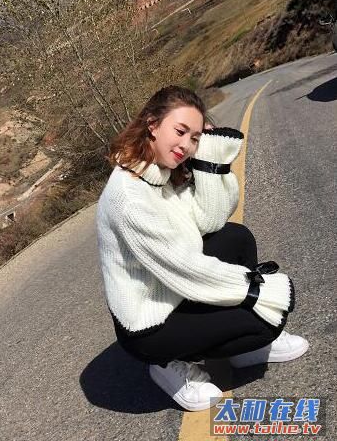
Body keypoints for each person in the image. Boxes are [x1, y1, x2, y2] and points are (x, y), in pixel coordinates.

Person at [95, 85, 309, 412]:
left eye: (195, 138)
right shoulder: (128, 199)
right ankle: (166, 364)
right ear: (153, 125)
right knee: (264, 320)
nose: (186, 145)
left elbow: (209, 219)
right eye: (180, 131)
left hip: (171, 288)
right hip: (148, 323)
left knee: (236, 237)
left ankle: (241, 349)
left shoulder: (158, 172)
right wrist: (256, 291)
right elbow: (187, 270)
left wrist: (210, 161)